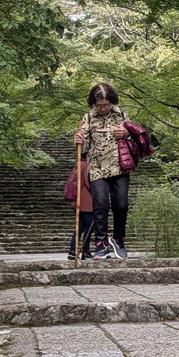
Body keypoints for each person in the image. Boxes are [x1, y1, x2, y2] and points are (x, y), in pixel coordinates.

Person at [73, 83, 130, 259]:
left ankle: (118, 239)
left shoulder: (121, 114)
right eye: (99, 105)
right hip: (97, 167)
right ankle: (101, 243)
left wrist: (126, 133)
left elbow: (134, 137)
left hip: (119, 166)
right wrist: (79, 140)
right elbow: (84, 148)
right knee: (100, 205)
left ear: (111, 101)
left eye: (106, 104)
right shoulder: (88, 118)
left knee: (121, 204)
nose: (103, 108)